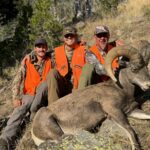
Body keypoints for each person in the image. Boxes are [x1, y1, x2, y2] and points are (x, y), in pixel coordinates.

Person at [0, 38, 52, 150]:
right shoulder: (27, 60)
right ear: (35, 48)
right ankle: (5, 140)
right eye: (38, 46)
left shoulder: (51, 59)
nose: (41, 49)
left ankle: (30, 121)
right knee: (20, 108)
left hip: (44, 96)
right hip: (29, 94)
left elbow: (64, 50)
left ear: (46, 48)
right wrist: (15, 97)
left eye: (43, 46)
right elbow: (17, 80)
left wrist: (78, 44)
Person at [46, 26, 86, 104]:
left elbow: (97, 48)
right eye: (67, 36)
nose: (69, 37)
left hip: (79, 85)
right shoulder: (55, 52)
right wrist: (31, 55)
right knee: (52, 72)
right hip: (63, 85)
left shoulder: (84, 49)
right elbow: (41, 53)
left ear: (76, 36)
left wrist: (114, 43)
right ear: (63, 38)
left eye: (72, 35)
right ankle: (53, 106)